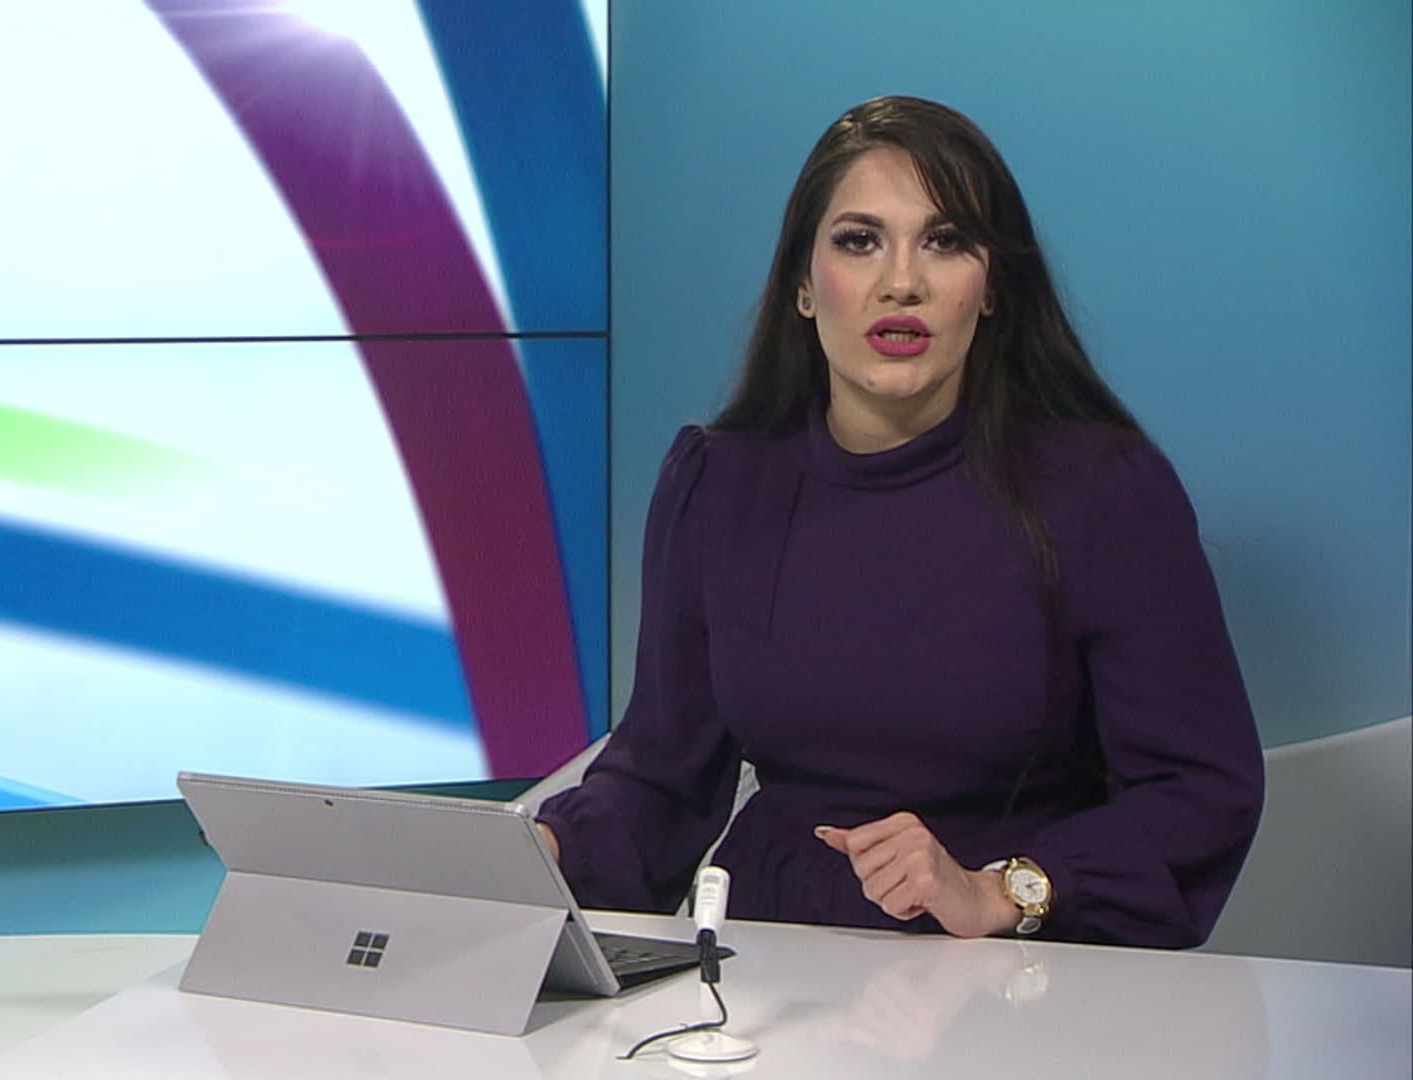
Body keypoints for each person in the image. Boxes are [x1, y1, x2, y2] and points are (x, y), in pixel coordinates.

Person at [535, 96, 1264, 947]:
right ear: (803, 286)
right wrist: (542, 853)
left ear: (991, 290)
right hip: (772, 960)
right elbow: (664, 777)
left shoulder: (1104, 492)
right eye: (860, 241)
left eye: (945, 241)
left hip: (1012, 972)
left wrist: (1001, 891)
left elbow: (1198, 792)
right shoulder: (718, 483)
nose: (902, 282)